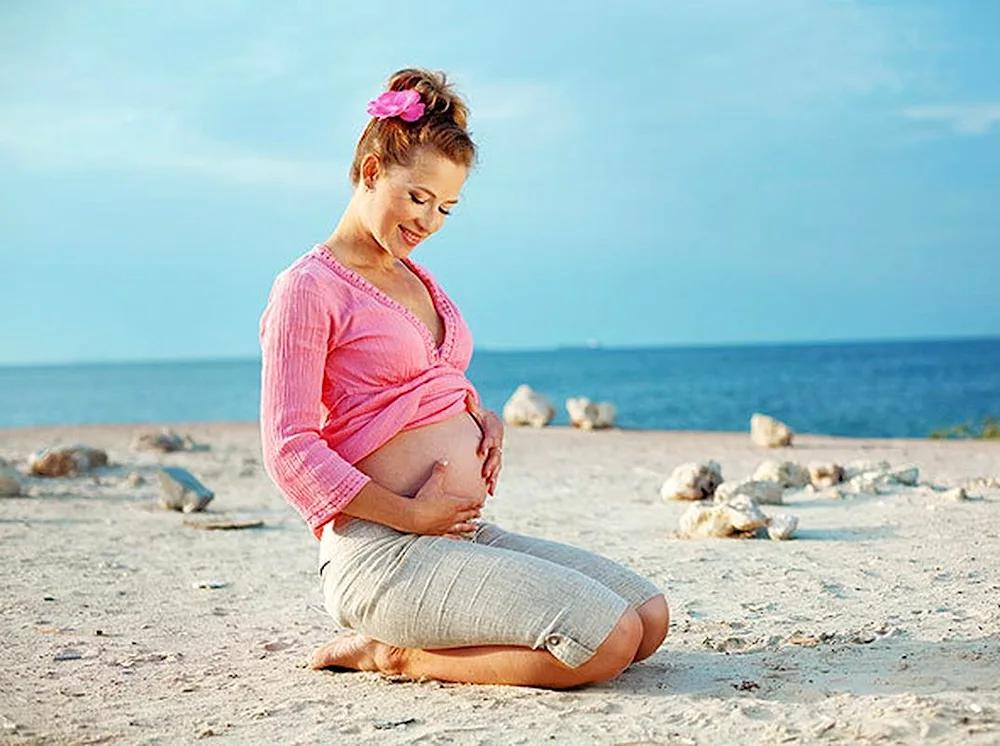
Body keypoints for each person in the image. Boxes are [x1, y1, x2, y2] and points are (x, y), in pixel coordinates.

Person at [259, 69, 668, 689]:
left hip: (461, 537)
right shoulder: (308, 288)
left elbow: (423, 381)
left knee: (647, 617)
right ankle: (392, 654)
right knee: (605, 641)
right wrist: (407, 515)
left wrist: (481, 416)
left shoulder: (419, 282)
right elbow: (289, 449)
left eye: (446, 207)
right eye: (419, 197)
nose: (431, 221)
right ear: (371, 172)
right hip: (384, 551)